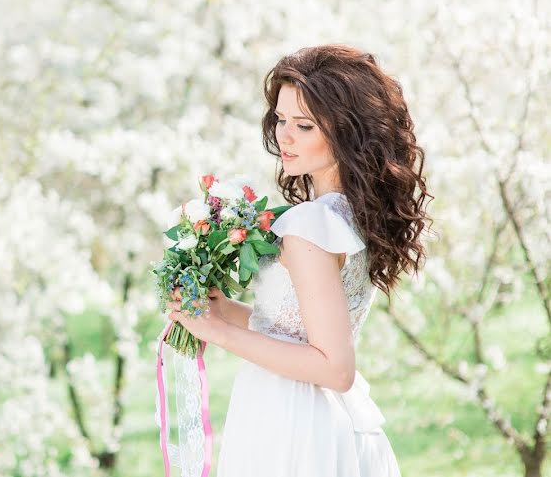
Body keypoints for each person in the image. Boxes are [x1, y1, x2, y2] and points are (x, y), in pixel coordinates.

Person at [167, 44, 432, 476]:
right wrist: (225, 311)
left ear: (347, 132)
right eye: (281, 119)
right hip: (313, 412)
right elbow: (299, 325)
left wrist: (214, 332)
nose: (284, 137)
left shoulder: (311, 224)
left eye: (304, 125)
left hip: (293, 421)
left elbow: (335, 366)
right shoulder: (345, 214)